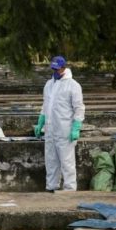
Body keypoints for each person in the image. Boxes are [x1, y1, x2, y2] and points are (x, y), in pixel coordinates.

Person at [33, 56, 85, 192]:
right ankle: (51, 186)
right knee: (51, 161)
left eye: (58, 69)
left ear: (63, 68)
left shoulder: (73, 85)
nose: (55, 71)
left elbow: (79, 108)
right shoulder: (49, 84)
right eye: (53, 69)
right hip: (50, 129)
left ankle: (69, 189)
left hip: (65, 129)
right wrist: (41, 122)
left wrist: (76, 127)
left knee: (67, 162)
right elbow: (45, 105)